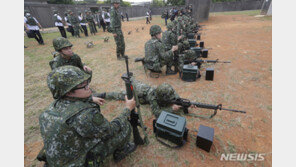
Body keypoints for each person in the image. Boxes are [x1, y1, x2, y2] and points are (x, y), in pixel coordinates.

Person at [39, 65, 137, 166]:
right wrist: (127, 109)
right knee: (124, 127)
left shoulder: (50, 109)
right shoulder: (85, 116)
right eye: (83, 86)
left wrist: (90, 98)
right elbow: (110, 130)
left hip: (58, 160)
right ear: (68, 92)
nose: (88, 87)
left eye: (87, 83)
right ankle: (121, 152)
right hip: (78, 162)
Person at [105, 80, 195, 118]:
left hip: (144, 88)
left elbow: (177, 99)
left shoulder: (169, 91)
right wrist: (171, 109)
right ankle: (103, 94)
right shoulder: (153, 97)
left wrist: (186, 104)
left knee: (136, 83)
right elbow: (156, 113)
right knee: (119, 95)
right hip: (139, 95)